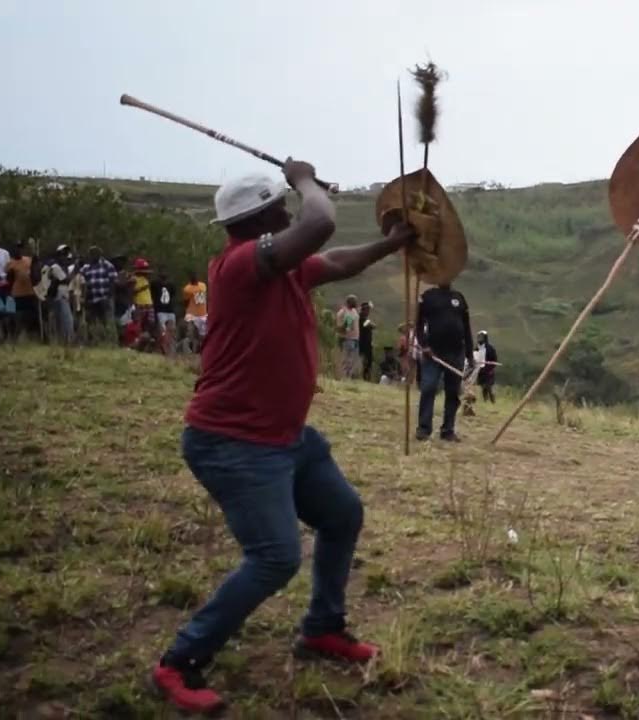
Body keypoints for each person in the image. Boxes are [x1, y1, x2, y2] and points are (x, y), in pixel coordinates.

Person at [152, 162, 418, 714]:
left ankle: (323, 627)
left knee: (342, 515)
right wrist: (305, 179)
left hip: (284, 437)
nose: (288, 215)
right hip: (233, 442)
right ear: (265, 218)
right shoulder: (241, 266)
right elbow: (319, 224)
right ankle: (178, 662)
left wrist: (392, 244)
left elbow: (338, 258)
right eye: (281, 208)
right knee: (274, 557)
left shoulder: (281, 267)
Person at [415, 282, 474, 441]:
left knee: (453, 392)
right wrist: (424, 345)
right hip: (433, 352)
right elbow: (418, 324)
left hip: (456, 353)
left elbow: (467, 328)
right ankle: (423, 428)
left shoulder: (459, 298)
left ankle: (448, 430)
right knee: (428, 387)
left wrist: (470, 355)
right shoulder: (428, 297)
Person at [81, 247, 118, 341]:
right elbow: (80, 280)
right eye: (91, 254)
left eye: (95, 253)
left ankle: (111, 341)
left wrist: (109, 296)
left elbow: (113, 282)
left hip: (105, 297)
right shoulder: (86, 267)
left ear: (100, 254)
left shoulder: (107, 265)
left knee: (108, 321)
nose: (93, 255)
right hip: (91, 299)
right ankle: (94, 341)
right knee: (92, 321)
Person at [44, 246, 75, 345]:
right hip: (58, 297)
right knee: (67, 321)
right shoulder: (55, 267)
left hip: (62, 297)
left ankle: (64, 342)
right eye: (63, 255)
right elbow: (66, 280)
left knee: (63, 321)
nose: (65, 258)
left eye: (66, 255)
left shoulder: (63, 268)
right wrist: (76, 269)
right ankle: (67, 342)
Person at [6, 244, 36, 339]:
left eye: (20, 248)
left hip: (29, 292)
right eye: (16, 248)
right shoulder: (10, 263)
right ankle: (13, 335)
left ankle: (28, 334)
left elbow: (35, 272)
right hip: (15, 294)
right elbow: (9, 279)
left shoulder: (29, 260)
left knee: (31, 315)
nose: (18, 250)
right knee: (13, 315)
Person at [335, 295, 361, 379]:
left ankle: (348, 377)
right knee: (346, 359)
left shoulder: (354, 311)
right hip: (347, 339)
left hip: (355, 338)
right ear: (349, 302)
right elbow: (340, 328)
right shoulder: (342, 312)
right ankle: (343, 376)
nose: (356, 303)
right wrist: (346, 324)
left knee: (352, 360)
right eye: (354, 301)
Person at [151, 272, 176, 354]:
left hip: (170, 309)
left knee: (171, 330)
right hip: (160, 310)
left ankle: (170, 349)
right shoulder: (155, 284)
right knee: (162, 331)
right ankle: (162, 348)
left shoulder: (171, 285)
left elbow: (172, 295)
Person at [182, 271, 208, 350]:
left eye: (195, 275)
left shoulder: (203, 285)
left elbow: (204, 298)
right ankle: (188, 350)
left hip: (203, 313)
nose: (194, 277)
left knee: (203, 334)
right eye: (192, 276)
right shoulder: (187, 289)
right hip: (192, 314)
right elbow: (185, 302)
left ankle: (201, 349)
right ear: (190, 278)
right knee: (190, 333)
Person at [475, 330, 498, 403]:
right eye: (479, 337)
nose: (480, 339)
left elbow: (494, 360)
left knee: (488, 387)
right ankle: (486, 401)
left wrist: (491, 369)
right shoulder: (477, 348)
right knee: (483, 388)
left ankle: (492, 401)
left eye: (481, 337)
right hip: (480, 371)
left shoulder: (490, 349)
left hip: (489, 371)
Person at [358, 301, 376, 381]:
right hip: (362, 343)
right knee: (364, 361)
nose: (368, 311)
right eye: (367, 310)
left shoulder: (365, 319)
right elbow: (368, 325)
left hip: (368, 344)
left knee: (369, 361)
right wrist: (370, 323)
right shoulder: (361, 318)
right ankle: (363, 377)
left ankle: (366, 377)